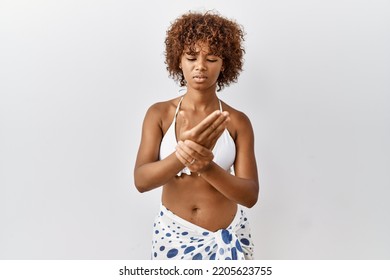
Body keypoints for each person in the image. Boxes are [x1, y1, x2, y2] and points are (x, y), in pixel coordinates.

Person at [134, 11, 259, 260]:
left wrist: (206, 167)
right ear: (178, 60)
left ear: (224, 64)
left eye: (211, 58)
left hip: (226, 236)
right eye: (191, 57)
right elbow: (141, 181)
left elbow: (250, 196)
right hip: (172, 236)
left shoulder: (237, 121)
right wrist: (183, 155)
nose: (200, 66)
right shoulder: (159, 114)